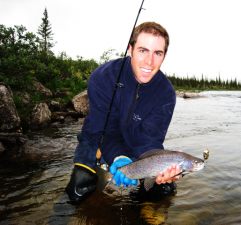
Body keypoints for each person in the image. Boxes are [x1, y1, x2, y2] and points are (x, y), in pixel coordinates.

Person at [65, 21, 181, 204]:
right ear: (130, 49)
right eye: (143, 50)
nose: (149, 62)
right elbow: (102, 129)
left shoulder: (166, 93)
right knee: (79, 190)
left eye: (157, 53)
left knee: (163, 189)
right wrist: (117, 156)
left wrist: (159, 168)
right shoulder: (103, 77)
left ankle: (144, 214)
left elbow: (150, 140)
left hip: (136, 146)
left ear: (164, 56)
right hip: (97, 139)